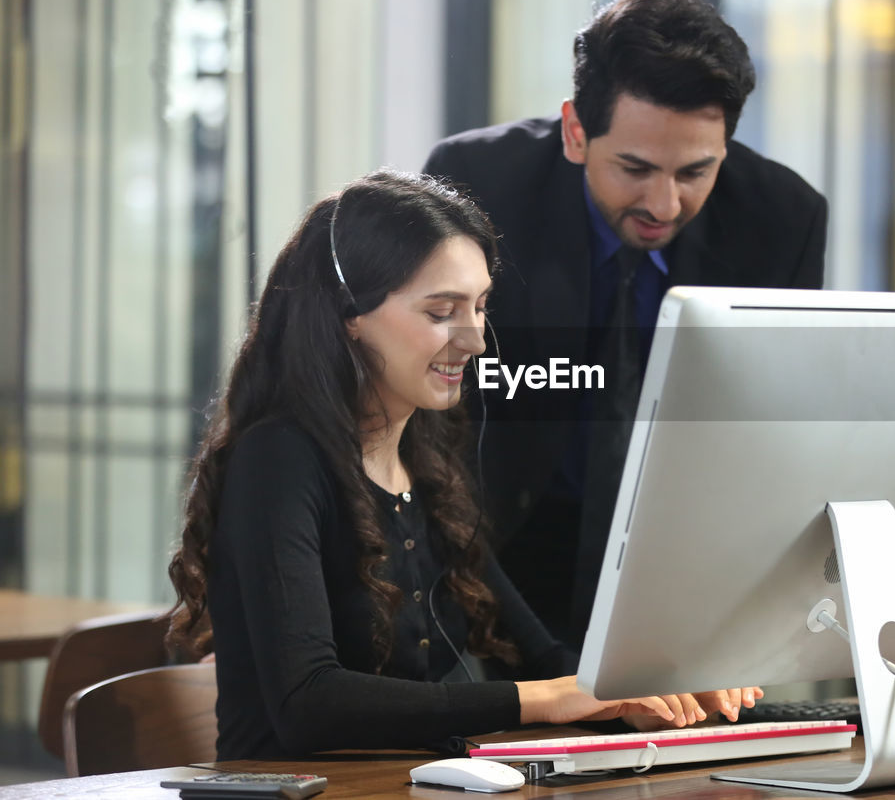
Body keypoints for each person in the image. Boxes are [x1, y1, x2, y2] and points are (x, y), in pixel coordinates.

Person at [165, 170, 760, 760]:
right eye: (440, 311)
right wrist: (542, 700)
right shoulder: (278, 458)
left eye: (479, 307)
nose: (475, 340)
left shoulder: (426, 460)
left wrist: (649, 691)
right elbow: (308, 703)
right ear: (350, 313)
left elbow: (547, 662)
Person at [424, 0, 827, 648]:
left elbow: (771, 429)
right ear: (577, 132)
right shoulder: (477, 182)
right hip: (494, 546)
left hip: (685, 567)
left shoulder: (783, 219)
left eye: (697, 170)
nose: (664, 204)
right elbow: (433, 408)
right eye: (635, 168)